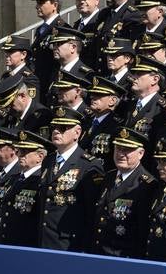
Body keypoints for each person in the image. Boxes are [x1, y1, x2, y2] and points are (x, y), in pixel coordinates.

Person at [37, 106, 103, 251]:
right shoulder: (48, 161)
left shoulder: (89, 165)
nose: (56, 131)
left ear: (77, 132)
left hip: (69, 245)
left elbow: (91, 212)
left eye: (63, 128)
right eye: (54, 127)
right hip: (44, 241)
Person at [93, 126, 158, 257]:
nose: (121, 154)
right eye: (118, 148)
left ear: (141, 153)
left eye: (127, 150)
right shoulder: (108, 177)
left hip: (124, 255)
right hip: (98, 251)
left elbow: (142, 229)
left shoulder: (147, 184)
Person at [1, 129, 52, 246]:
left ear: (40, 157)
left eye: (25, 152)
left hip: (27, 243)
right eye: (19, 151)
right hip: (7, 239)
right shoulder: (13, 178)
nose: (20, 155)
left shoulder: (42, 180)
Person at [30, 0, 66, 100]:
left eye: (41, 3)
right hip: (39, 84)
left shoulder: (62, 28)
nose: (37, 6)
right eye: (37, 3)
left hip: (50, 85)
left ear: (54, 5)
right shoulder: (40, 29)